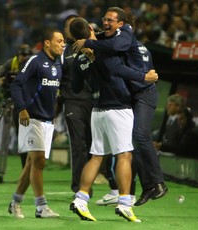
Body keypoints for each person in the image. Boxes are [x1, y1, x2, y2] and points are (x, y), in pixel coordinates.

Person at [73, 7, 168, 207]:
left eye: (110, 20)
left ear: (121, 24)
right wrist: (88, 42)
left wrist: (89, 43)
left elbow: (116, 62)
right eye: (104, 19)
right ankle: (140, 189)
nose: (105, 23)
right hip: (131, 95)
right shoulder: (109, 39)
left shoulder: (125, 35)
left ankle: (157, 183)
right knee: (130, 145)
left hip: (144, 92)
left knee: (139, 136)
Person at [7, 27, 65, 219]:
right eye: (59, 41)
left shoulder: (58, 65)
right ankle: (41, 206)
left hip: (47, 120)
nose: (62, 44)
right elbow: (16, 84)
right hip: (31, 117)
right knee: (39, 161)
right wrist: (22, 108)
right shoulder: (34, 61)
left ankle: (15, 202)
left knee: (33, 163)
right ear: (47, 43)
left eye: (64, 41)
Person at [59, 15, 93, 194]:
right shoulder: (63, 52)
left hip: (94, 101)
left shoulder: (94, 45)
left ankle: (108, 184)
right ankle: (79, 188)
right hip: (73, 102)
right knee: (79, 145)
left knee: (94, 145)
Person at [0, 43, 33, 167]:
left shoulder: (34, 64)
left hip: (28, 101)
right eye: (22, 55)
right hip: (12, 100)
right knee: (21, 135)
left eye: (27, 55)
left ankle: (28, 167)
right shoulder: (10, 63)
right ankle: (24, 167)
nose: (25, 58)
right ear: (18, 55)